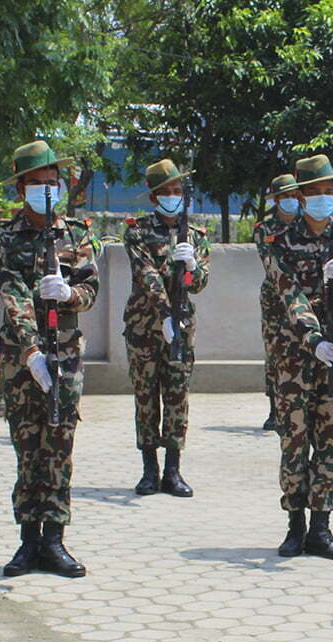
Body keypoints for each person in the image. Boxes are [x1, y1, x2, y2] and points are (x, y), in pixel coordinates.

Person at [0, 140, 103, 577]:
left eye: (50, 182)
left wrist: (69, 294)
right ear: (21, 188)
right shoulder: (4, 237)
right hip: (23, 357)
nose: (44, 188)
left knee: (58, 445)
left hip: (67, 354)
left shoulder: (76, 233)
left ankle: (54, 538)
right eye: (35, 182)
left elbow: (91, 290)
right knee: (27, 446)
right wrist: (31, 350)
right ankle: (27, 540)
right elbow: (13, 296)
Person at [267, 154, 333, 560]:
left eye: (329, 191)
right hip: (294, 355)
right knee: (295, 440)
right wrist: (312, 339)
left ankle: (321, 527)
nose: (323, 198)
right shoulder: (281, 243)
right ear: (301, 196)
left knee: (331, 438)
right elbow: (289, 295)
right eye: (315, 192)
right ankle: (295, 525)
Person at [123, 159, 210, 498]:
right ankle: (149, 470)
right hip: (144, 326)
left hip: (182, 328)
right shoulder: (137, 231)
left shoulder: (196, 236)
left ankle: (173, 471)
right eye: (166, 192)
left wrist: (190, 265)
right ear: (154, 197)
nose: (173, 197)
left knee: (176, 397)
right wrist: (164, 314)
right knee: (146, 397)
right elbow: (147, 275)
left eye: (178, 191)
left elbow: (199, 282)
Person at [256, 174, 301, 431]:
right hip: (274, 297)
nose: (290, 200)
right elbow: (271, 262)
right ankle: (274, 408)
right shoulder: (265, 228)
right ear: (276, 199)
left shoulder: (306, 224)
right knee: (274, 351)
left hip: (303, 298)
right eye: (285, 196)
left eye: (294, 195)